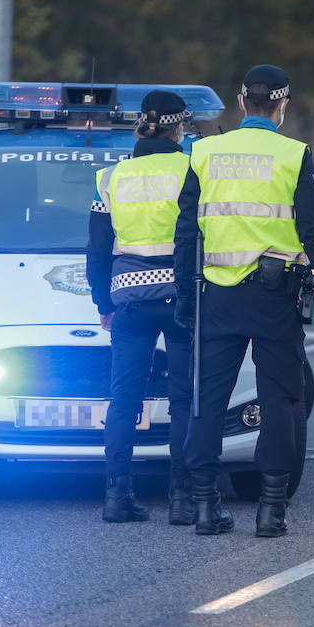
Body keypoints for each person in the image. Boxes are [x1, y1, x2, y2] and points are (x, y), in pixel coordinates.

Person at [173, 65, 314, 537]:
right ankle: (272, 511)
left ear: (242, 101)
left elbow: (186, 233)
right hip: (276, 299)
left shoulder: (204, 152)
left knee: (208, 400)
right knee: (280, 402)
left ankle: (206, 506)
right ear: (283, 106)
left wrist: (186, 301)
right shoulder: (293, 155)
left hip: (217, 299)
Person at [86, 90, 195, 524]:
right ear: (178, 127)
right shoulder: (192, 169)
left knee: (124, 397)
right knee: (184, 398)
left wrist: (102, 301)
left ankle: (117, 497)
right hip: (184, 296)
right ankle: (184, 500)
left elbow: (97, 248)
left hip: (128, 297)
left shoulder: (111, 178)